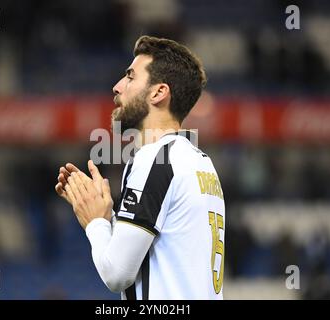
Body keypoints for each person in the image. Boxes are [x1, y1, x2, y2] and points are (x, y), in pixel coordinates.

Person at [55, 36, 225, 300]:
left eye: (131, 77)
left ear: (158, 92)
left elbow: (117, 273)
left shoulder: (155, 159)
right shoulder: (200, 162)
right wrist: (110, 216)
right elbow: (160, 254)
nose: (117, 87)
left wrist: (95, 223)